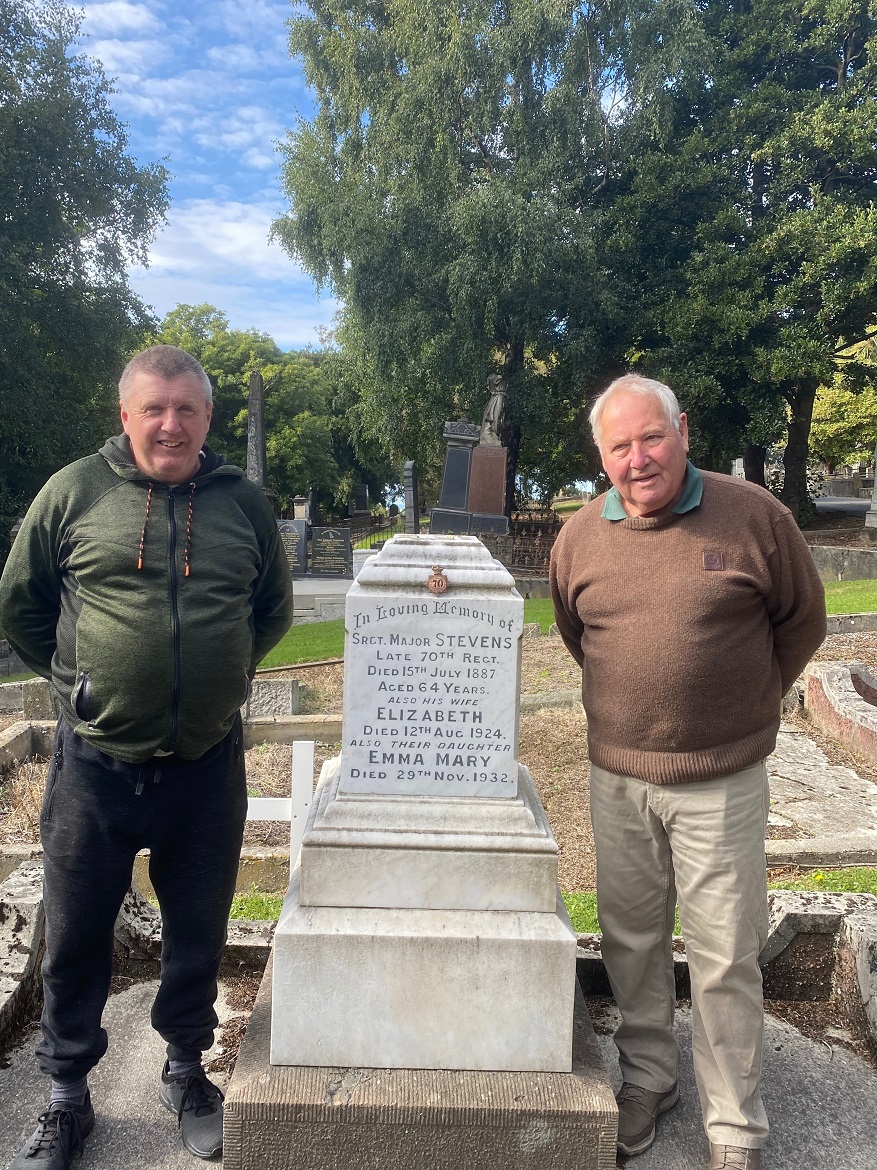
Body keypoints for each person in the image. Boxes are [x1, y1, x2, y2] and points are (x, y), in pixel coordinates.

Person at [0, 345, 295, 1169]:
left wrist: (222, 677)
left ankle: (185, 1070)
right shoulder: (74, 493)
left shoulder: (242, 504)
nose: (171, 424)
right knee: (79, 934)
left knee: (196, 930)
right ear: (125, 415)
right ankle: (65, 1096)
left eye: (187, 410)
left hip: (205, 765)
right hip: (94, 766)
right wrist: (79, 686)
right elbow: (20, 608)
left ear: (207, 418)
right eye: (154, 409)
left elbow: (269, 611)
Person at [549, 375, 826, 1170]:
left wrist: (740, 701)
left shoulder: (753, 517)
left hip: (721, 779)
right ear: (600, 457)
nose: (638, 460)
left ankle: (734, 1124)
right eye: (619, 447)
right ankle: (648, 1077)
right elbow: (579, 635)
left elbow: (800, 623)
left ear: (683, 432)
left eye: (652, 437)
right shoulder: (577, 538)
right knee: (631, 942)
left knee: (723, 952)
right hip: (619, 779)